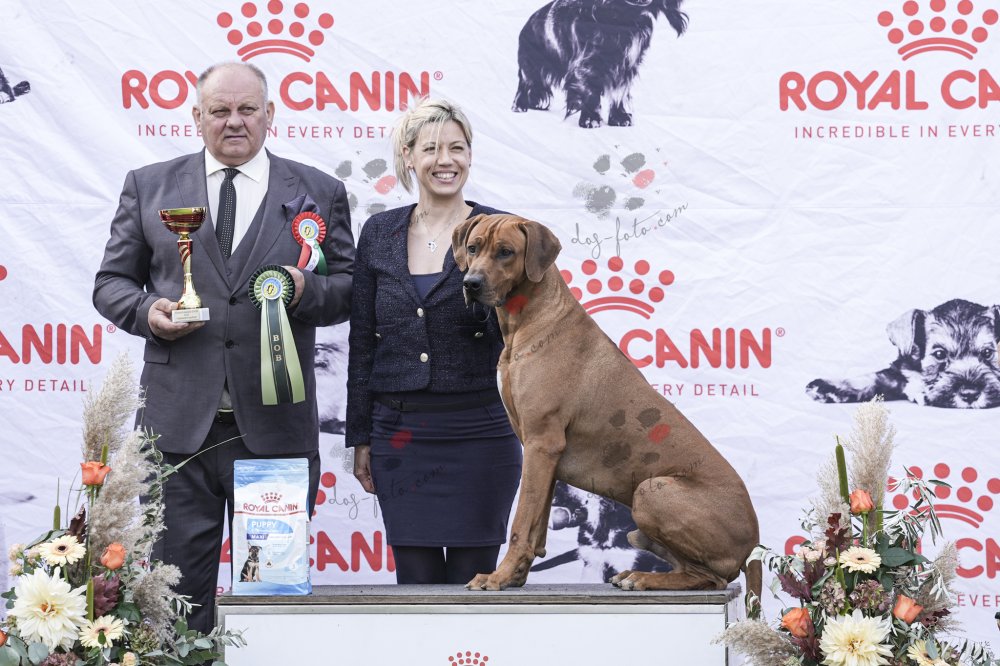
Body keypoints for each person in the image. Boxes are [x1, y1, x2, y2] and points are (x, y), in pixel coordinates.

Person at [93, 61, 354, 632]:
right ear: (196, 117)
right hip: (176, 434)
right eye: (219, 110)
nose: (234, 121)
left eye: (247, 109)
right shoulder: (148, 185)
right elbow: (110, 283)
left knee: (271, 602)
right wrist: (147, 311)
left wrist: (305, 289)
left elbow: (349, 289)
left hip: (275, 432)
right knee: (173, 610)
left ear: (270, 114)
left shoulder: (319, 191)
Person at [346, 98, 522, 584]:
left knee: (475, 588)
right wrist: (359, 437)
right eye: (431, 148)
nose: (446, 160)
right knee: (415, 589)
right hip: (399, 437)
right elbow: (362, 343)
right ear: (408, 156)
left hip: (483, 433)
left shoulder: (502, 231)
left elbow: (525, 332)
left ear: (470, 155)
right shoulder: (378, 232)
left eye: (457, 148)